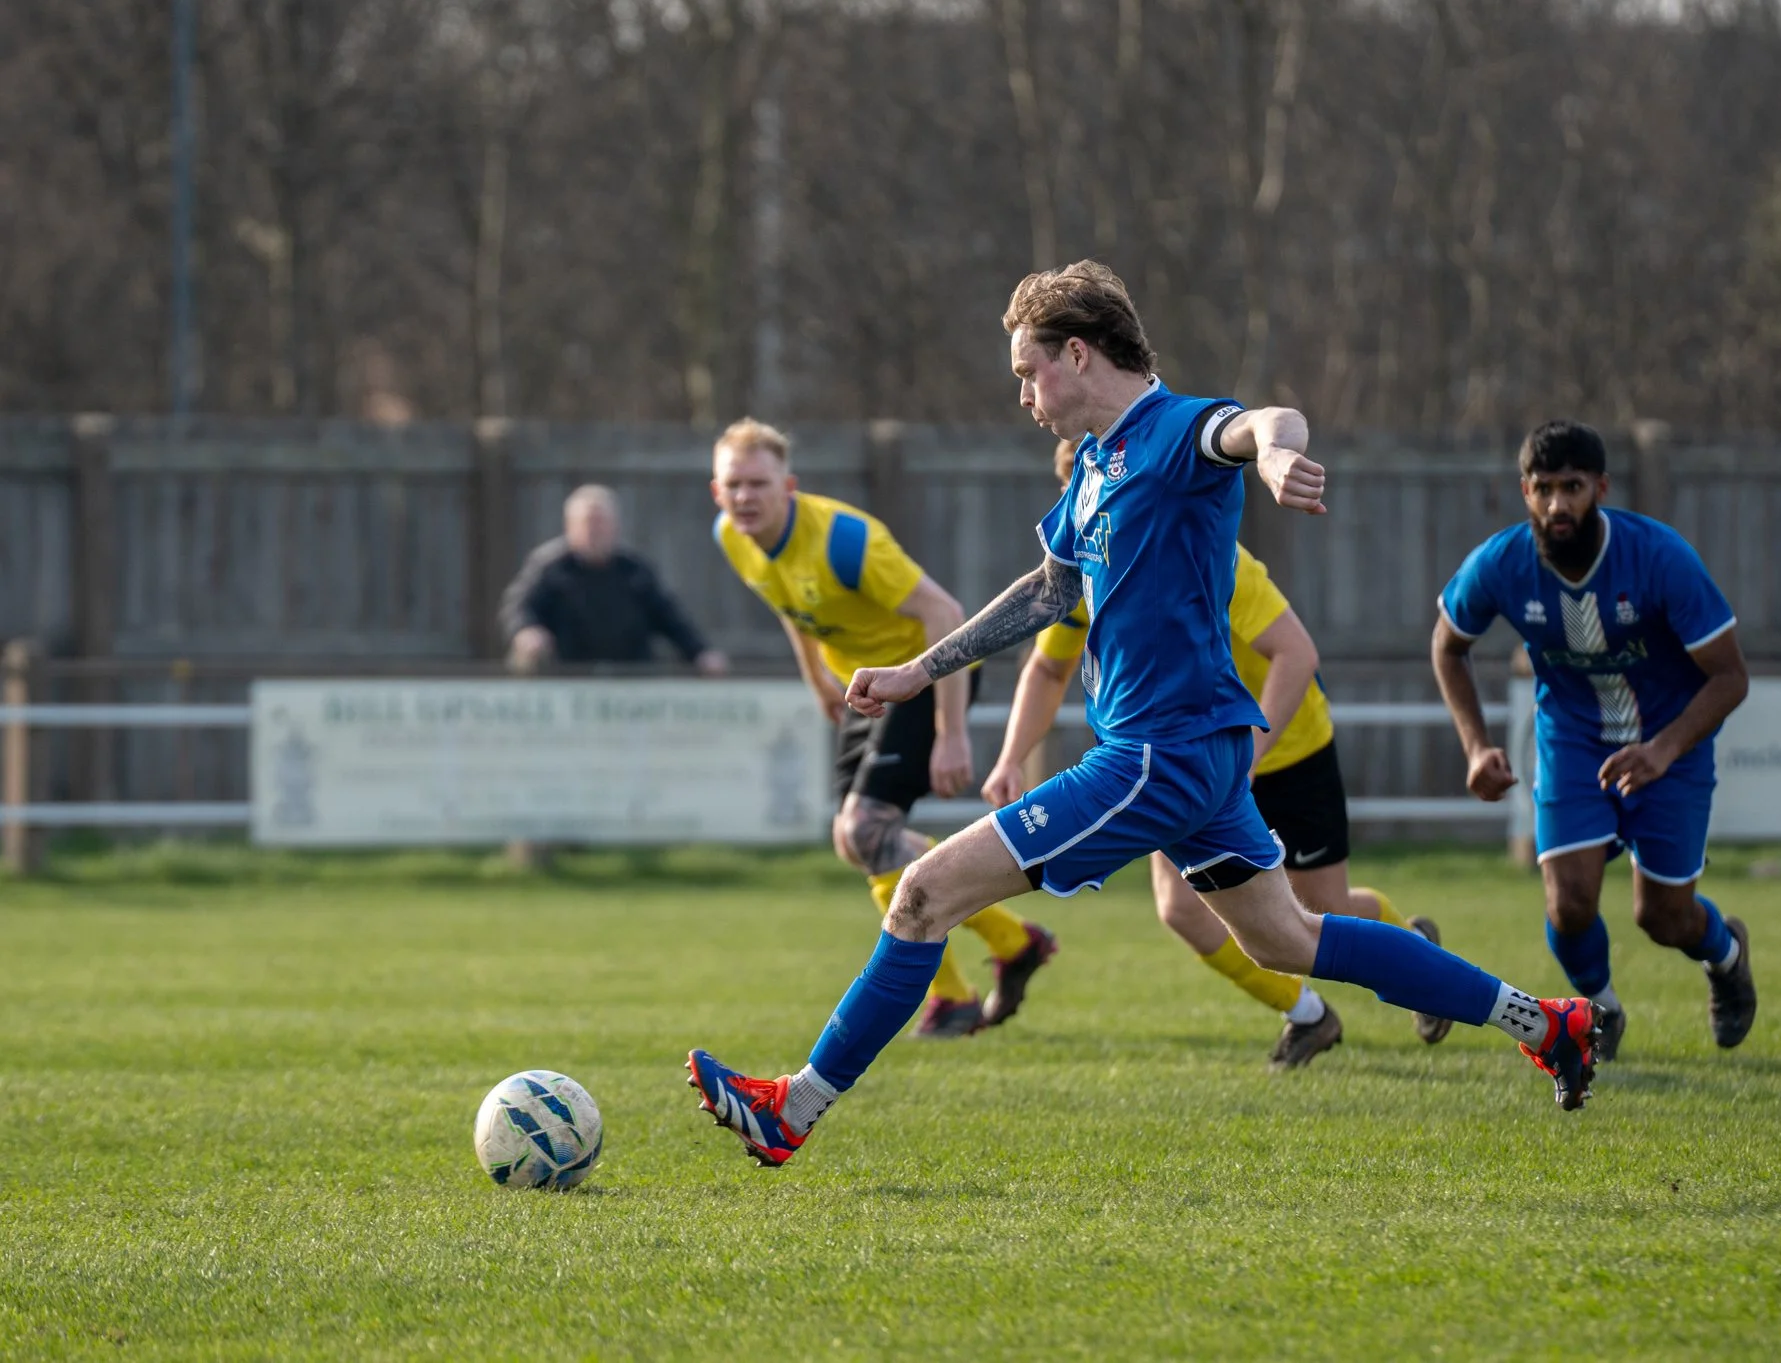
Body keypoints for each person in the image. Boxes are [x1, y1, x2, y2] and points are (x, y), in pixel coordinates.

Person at [687, 261, 1602, 1168]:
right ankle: (1549, 1022)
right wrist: (920, 671)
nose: (1022, 394)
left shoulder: (1174, 430)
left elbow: (1262, 422)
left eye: (1025, 370)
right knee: (1288, 937)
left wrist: (1278, 454)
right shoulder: (1092, 468)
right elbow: (1048, 592)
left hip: (1156, 757)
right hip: (1191, 757)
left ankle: (792, 1110)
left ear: (1077, 355)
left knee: (925, 895)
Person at [981, 439, 1452, 1068]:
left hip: (1284, 745)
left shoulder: (1208, 555)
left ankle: (1416, 950)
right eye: (1077, 491)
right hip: (1189, 758)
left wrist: (1249, 756)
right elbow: (1046, 672)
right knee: (1182, 909)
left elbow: (1296, 656)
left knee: (1321, 911)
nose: (1091, 507)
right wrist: (1012, 755)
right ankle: (1308, 1015)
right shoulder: (1085, 575)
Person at [709, 418, 1057, 1037]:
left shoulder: (847, 541)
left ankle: (964, 988)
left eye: (758, 483)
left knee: (864, 829)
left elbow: (945, 614)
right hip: (863, 691)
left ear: (787, 486)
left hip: (923, 678)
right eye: (733, 484)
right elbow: (789, 605)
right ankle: (1004, 949)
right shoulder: (735, 539)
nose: (745, 497)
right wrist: (816, 677)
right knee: (861, 842)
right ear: (717, 491)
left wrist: (951, 733)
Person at [1433, 421, 1755, 1061]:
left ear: (1601, 487)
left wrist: (1663, 750)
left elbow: (1730, 678)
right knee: (1569, 902)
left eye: (1572, 488)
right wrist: (1475, 746)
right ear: (1524, 491)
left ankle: (1726, 956)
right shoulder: (1501, 563)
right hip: (1573, 742)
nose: (1557, 505)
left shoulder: (1659, 558)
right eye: (1544, 489)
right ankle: (1600, 1012)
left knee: (1661, 918)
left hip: (1670, 747)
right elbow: (1447, 645)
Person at [501, 484, 729, 675]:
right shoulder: (549, 567)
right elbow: (518, 607)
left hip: (630, 683)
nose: (594, 530)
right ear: (569, 526)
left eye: (600, 522)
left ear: (615, 526)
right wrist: (526, 631)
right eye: (587, 522)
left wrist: (700, 653)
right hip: (567, 683)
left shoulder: (635, 571)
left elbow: (670, 617)